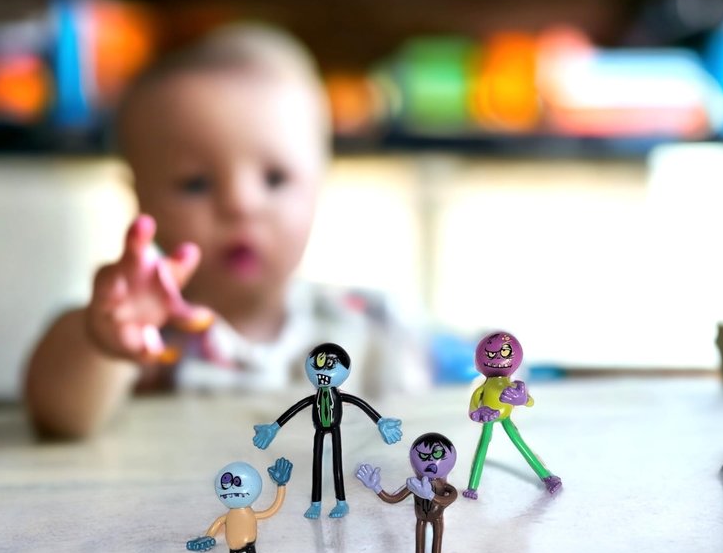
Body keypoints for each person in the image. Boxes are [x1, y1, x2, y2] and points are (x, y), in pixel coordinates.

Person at [24, 24, 427, 438]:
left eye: (275, 179)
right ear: (139, 197)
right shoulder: (148, 341)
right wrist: (101, 340)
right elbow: (59, 418)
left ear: (320, 181)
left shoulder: (370, 326)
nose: (241, 205)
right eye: (196, 184)